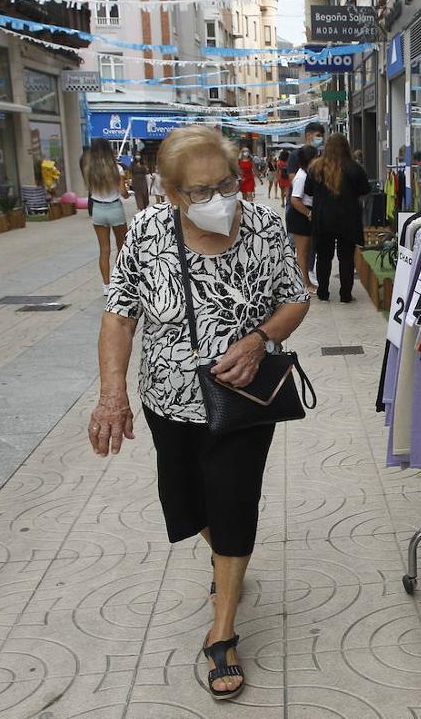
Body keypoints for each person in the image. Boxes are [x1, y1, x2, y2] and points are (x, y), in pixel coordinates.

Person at [91, 125, 310, 701]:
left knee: (234, 500)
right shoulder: (145, 233)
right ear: (168, 192)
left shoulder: (263, 226)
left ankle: (223, 629)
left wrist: (260, 338)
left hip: (244, 398)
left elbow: (296, 296)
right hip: (168, 398)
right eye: (200, 191)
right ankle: (227, 559)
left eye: (226, 183)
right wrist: (112, 393)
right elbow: (119, 316)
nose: (218, 199)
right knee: (188, 502)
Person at [306, 133, 370, 302]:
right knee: (346, 257)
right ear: (346, 147)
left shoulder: (315, 168)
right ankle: (345, 294)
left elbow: (309, 191)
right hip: (347, 219)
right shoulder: (354, 168)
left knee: (324, 257)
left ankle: (323, 292)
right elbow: (365, 191)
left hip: (323, 218)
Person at [85, 138, 129, 296]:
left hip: (98, 209)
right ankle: (119, 281)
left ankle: (106, 286)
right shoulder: (117, 169)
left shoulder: (89, 170)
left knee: (104, 250)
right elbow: (124, 194)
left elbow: (89, 189)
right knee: (121, 247)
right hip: (115, 208)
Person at [287, 145, 317, 293]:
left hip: (304, 214)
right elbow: (295, 200)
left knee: (305, 251)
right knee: (302, 252)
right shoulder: (301, 177)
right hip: (300, 215)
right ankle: (305, 283)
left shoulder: (308, 174)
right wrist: (309, 214)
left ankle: (305, 282)